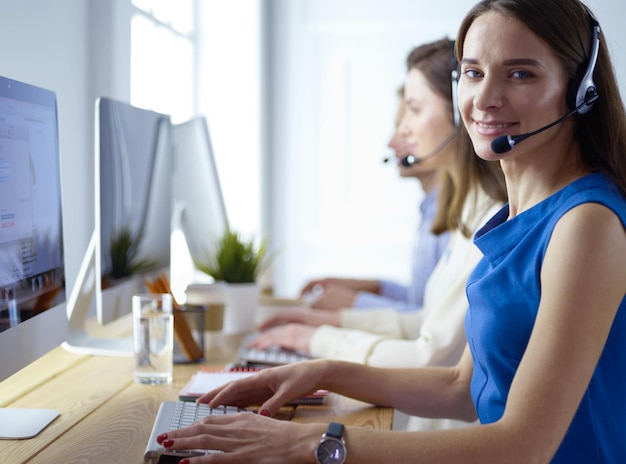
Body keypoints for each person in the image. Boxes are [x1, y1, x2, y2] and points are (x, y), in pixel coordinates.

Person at [157, 0, 626, 461]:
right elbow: (461, 387)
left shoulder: (586, 225)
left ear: (581, 89)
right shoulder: (520, 218)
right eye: (472, 72)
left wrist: (310, 443)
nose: (483, 99)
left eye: (520, 73)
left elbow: (522, 447)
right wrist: (321, 371)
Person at [249, 39, 506, 374]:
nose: (401, 131)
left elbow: (433, 354)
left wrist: (319, 338)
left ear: (459, 114)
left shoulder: (489, 221)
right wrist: (325, 323)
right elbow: (427, 322)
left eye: (414, 110)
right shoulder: (465, 215)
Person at [300, 85, 450, 314]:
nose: (392, 142)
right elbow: (420, 300)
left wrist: (355, 303)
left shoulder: (454, 215)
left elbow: (434, 323)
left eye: (411, 118)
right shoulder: (431, 208)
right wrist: (373, 288)